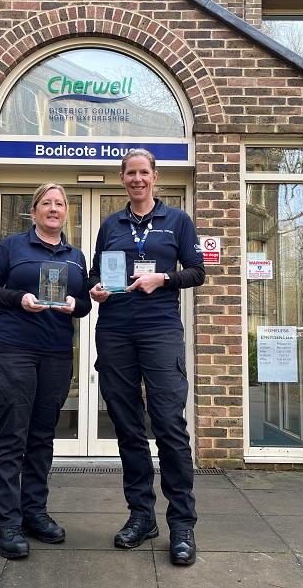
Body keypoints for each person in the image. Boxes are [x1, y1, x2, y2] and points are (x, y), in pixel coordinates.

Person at [88, 149, 205, 565]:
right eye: (130, 173)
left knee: (170, 424)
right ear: (123, 180)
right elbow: (95, 276)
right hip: (116, 331)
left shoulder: (178, 222)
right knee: (128, 427)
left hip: (159, 332)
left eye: (144, 173)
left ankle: (182, 524)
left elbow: (197, 272)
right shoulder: (109, 225)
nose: (137, 179)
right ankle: (141, 516)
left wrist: (163, 278)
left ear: (154, 178)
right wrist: (96, 290)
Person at [0, 183, 91, 559]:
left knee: (42, 437)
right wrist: (18, 299)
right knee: (13, 435)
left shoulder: (76, 257)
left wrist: (75, 303)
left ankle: (34, 513)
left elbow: (85, 305)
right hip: (15, 349)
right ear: (34, 211)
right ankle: (5, 525)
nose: (54, 209)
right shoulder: (12, 246)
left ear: (66, 213)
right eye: (47, 203)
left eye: (60, 204)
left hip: (57, 353)